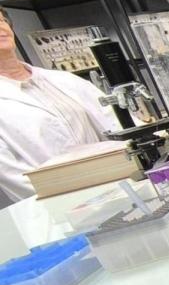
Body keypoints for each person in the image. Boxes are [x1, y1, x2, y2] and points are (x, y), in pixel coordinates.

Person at [0, 11, 118, 203]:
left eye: (1, 20)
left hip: (120, 183)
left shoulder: (63, 79)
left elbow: (115, 120)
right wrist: (76, 201)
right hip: (62, 207)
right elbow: (10, 174)